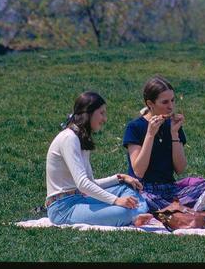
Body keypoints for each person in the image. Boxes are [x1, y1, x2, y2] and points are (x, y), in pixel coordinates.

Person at [45, 91, 152, 226]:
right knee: (122, 212)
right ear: (88, 113)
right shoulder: (69, 138)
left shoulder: (80, 138)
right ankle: (133, 215)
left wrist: (119, 178)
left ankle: (135, 214)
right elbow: (83, 184)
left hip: (80, 198)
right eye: (101, 113)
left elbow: (90, 183)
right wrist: (115, 201)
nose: (105, 119)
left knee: (126, 188)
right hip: (63, 209)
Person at [122, 76, 188, 211]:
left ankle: (175, 208)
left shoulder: (173, 126)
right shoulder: (135, 127)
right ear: (150, 104)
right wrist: (150, 134)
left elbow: (180, 169)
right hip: (143, 189)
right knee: (158, 206)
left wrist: (174, 133)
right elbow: (138, 171)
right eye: (164, 102)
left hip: (169, 187)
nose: (170, 106)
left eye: (172, 100)